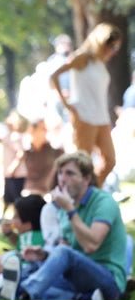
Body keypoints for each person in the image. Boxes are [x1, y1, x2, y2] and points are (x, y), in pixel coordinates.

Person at [14, 151, 126, 300]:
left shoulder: (103, 202)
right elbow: (65, 247)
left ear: (86, 179)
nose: (62, 179)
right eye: (60, 173)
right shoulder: (66, 205)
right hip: (79, 279)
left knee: (60, 259)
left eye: (70, 174)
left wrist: (70, 211)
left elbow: (91, 245)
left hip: (108, 278)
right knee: (32, 271)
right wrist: (45, 255)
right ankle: (83, 298)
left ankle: (25, 292)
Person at [49, 23, 122, 186]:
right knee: (83, 163)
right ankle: (77, 196)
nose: (114, 51)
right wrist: (66, 104)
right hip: (84, 117)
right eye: (112, 47)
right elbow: (54, 76)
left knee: (110, 160)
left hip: (101, 117)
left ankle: (90, 191)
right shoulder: (82, 58)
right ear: (101, 43)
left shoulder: (100, 63)